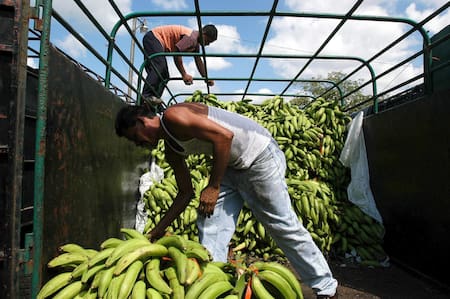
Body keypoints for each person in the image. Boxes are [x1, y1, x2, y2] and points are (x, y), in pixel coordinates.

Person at [114, 102, 338, 298]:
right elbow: (185, 194)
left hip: (259, 155)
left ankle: (326, 288)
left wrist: (213, 186)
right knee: (210, 225)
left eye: (134, 137)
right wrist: (157, 232)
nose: (138, 144)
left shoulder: (174, 116)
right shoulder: (172, 149)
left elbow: (225, 136)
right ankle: (217, 285)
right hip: (230, 166)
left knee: (281, 224)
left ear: (142, 121)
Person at [141, 24, 217, 103]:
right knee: (159, 67)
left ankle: (154, 101)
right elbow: (177, 52)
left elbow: (198, 60)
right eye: (208, 41)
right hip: (154, 37)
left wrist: (206, 77)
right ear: (203, 33)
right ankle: (146, 96)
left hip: (155, 41)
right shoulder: (191, 38)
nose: (208, 44)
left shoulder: (196, 43)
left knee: (165, 76)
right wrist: (184, 74)